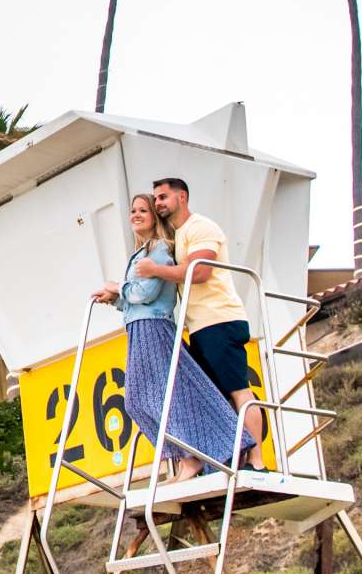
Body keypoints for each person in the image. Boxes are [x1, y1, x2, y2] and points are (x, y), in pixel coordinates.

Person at [95, 193, 255, 483]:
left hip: (154, 329)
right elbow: (136, 300)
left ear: (155, 218)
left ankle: (195, 457)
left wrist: (119, 287)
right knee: (136, 401)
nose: (136, 214)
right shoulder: (141, 253)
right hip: (138, 328)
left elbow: (145, 294)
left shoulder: (158, 251)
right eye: (133, 210)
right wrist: (115, 298)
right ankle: (185, 457)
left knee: (156, 398)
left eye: (143, 210)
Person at [151, 175, 263, 468]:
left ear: (182, 197)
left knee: (239, 390)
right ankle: (220, 459)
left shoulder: (200, 226)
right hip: (200, 326)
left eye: (163, 197)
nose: (158, 203)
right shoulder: (178, 236)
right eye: (156, 199)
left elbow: (200, 271)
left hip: (220, 319)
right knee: (207, 396)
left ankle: (258, 459)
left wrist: (155, 270)